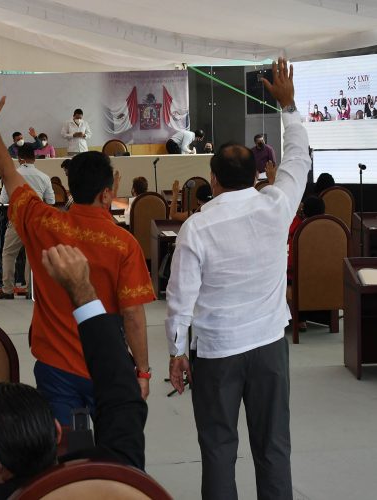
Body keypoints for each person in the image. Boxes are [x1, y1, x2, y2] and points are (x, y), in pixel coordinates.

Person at [0, 79, 154, 426]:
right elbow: (132, 317)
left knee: (64, 459)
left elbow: (7, 171)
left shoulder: (42, 223)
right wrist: (142, 372)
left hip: (55, 367)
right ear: (106, 193)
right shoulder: (123, 244)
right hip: (108, 366)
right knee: (115, 458)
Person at [166, 58, 310, 500]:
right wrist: (287, 106)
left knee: (218, 450)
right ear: (256, 175)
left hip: (216, 353)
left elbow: (179, 301)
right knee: (274, 448)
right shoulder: (277, 205)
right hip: (269, 346)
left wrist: (176, 352)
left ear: (212, 180)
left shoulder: (196, 227)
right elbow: (299, 158)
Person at [0, 245, 148, 499]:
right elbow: (122, 398)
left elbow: (123, 401)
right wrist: (82, 289)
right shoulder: (115, 470)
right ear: (57, 430)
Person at [0, 144, 55, 299]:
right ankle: (31, 290)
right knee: (32, 255)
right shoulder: (44, 177)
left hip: (17, 219)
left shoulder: (12, 175)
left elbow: (3, 200)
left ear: (19, 158)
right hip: (36, 221)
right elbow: (51, 201)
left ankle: (8, 289)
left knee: (9, 253)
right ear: (34, 157)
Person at [286, 196, 325, 331]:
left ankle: (296, 318)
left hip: (297, 277)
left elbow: (290, 263)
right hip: (327, 277)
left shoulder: (300, 229)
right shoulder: (331, 228)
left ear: (304, 210)